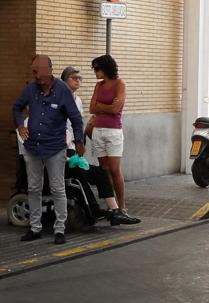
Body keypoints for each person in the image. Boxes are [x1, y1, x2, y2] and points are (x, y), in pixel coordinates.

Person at [13, 55, 84, 244]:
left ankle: (59, 229)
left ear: (49, 70)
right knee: (34, 188)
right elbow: (17, 107)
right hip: (33, 147)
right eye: (34, 71)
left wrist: (79, 141)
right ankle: (35, 228)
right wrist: (20, 125)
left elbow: (76, 118)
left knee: (58, 188)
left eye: (39, 71)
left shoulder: (62, 90)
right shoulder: (30, 89)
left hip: (55, 147)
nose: (36, 75)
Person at [60, 66, 138, 226]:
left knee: (101, 173)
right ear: (64, 80)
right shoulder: (58, 99)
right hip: (59, 151)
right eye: (74, 78)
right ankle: (94, 209)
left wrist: (79, 141)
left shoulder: (77, 100)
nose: (78, 81)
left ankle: (115, 210)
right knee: (80, 174)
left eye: (80, 78)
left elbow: (77, 123)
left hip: (73, 148)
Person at [87, 54, 134, 218]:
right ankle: (111, 206)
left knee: (115, 169)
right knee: (104, 170)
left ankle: (122, 206)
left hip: (113, 131)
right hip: (98, 131)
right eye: (94, 69)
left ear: (106, 68)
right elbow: (91, 108)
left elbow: (115, 110)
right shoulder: (98, 86)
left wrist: (100, 106)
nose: (95, 72)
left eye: (97, 69)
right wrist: (105, 106)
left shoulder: (120, 84)